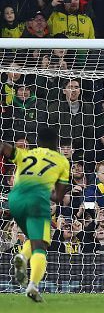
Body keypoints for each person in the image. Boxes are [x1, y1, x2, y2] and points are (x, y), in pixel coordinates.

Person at [2, 127, 70, 302]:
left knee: (33, 237)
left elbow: (3, 147)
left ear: (38, 142)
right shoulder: (62, 161)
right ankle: (32, 285)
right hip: (37, 201)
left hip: (15, 199)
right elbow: (58, 197)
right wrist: (46, 188)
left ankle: (22, 256)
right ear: (56, 144)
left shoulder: (26, 153)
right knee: (40, 246)